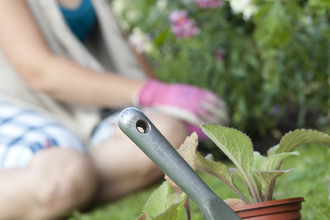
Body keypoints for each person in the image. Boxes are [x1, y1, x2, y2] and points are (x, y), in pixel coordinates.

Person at [0, 0, 229, 219]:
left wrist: (168, 103)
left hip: (81, 108)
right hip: (22, 106)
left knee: (162, 135)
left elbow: (123, 46)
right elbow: (39, 72)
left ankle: (76, 186)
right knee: (61, 179)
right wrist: (151, 92)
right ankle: (64, 183)